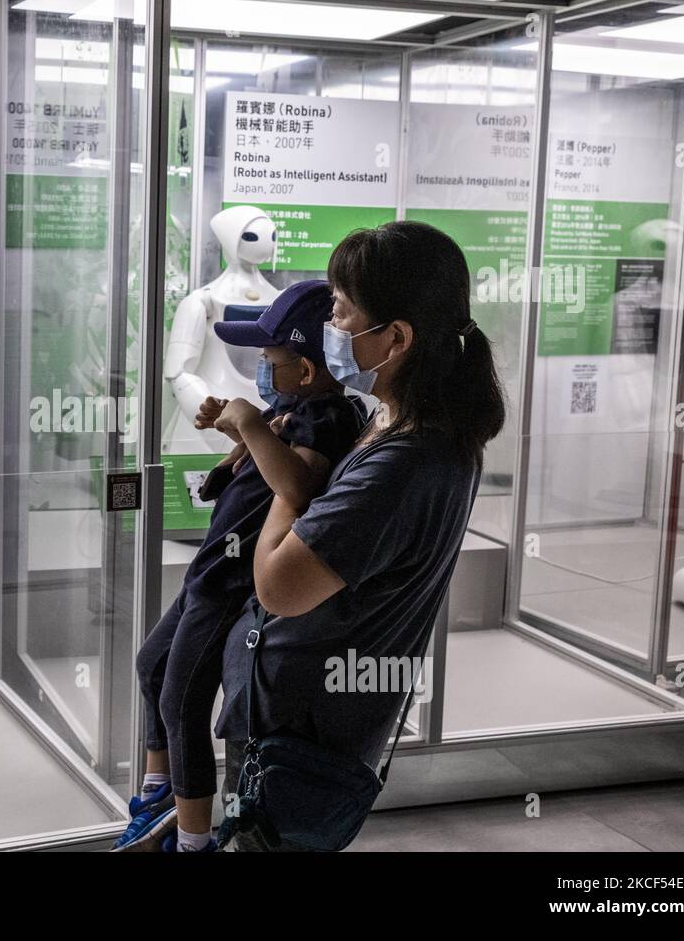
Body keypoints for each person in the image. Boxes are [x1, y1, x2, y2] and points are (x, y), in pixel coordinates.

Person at [214, 220, 507, 851]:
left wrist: (288, 485)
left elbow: (280, 587)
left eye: (342, 313)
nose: (331, 329)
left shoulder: (403, 463)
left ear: (396, 337)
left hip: (304, 737)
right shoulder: (393, 421)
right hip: (295, 718)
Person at [114, 280, 367, 852]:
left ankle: (193, 840)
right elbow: (257, 458)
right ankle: (160, 791)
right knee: (152, 666)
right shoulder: (291, 407)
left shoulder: (327, 418)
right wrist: (234, 434)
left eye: (268, 360)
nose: (259, 370)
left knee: (182, 698)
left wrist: (251, 425)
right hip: (207, 573)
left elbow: (298, 487)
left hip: (228, 587)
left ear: (304, 370)